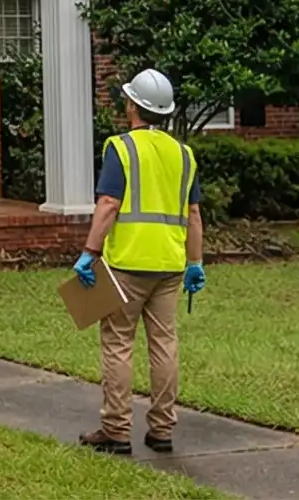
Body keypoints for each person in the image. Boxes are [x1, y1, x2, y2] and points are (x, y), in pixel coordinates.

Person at [72, 68, 206, 456]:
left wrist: (89, 253)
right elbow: (193, 214)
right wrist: (195, 263)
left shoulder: (120, 147)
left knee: (117, 344)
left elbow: (109, 204)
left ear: (132, 105)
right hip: (169, 264)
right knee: (164, 342)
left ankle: (115, 431)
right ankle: (162, 430)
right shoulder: (184, 154)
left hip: (127, 264)